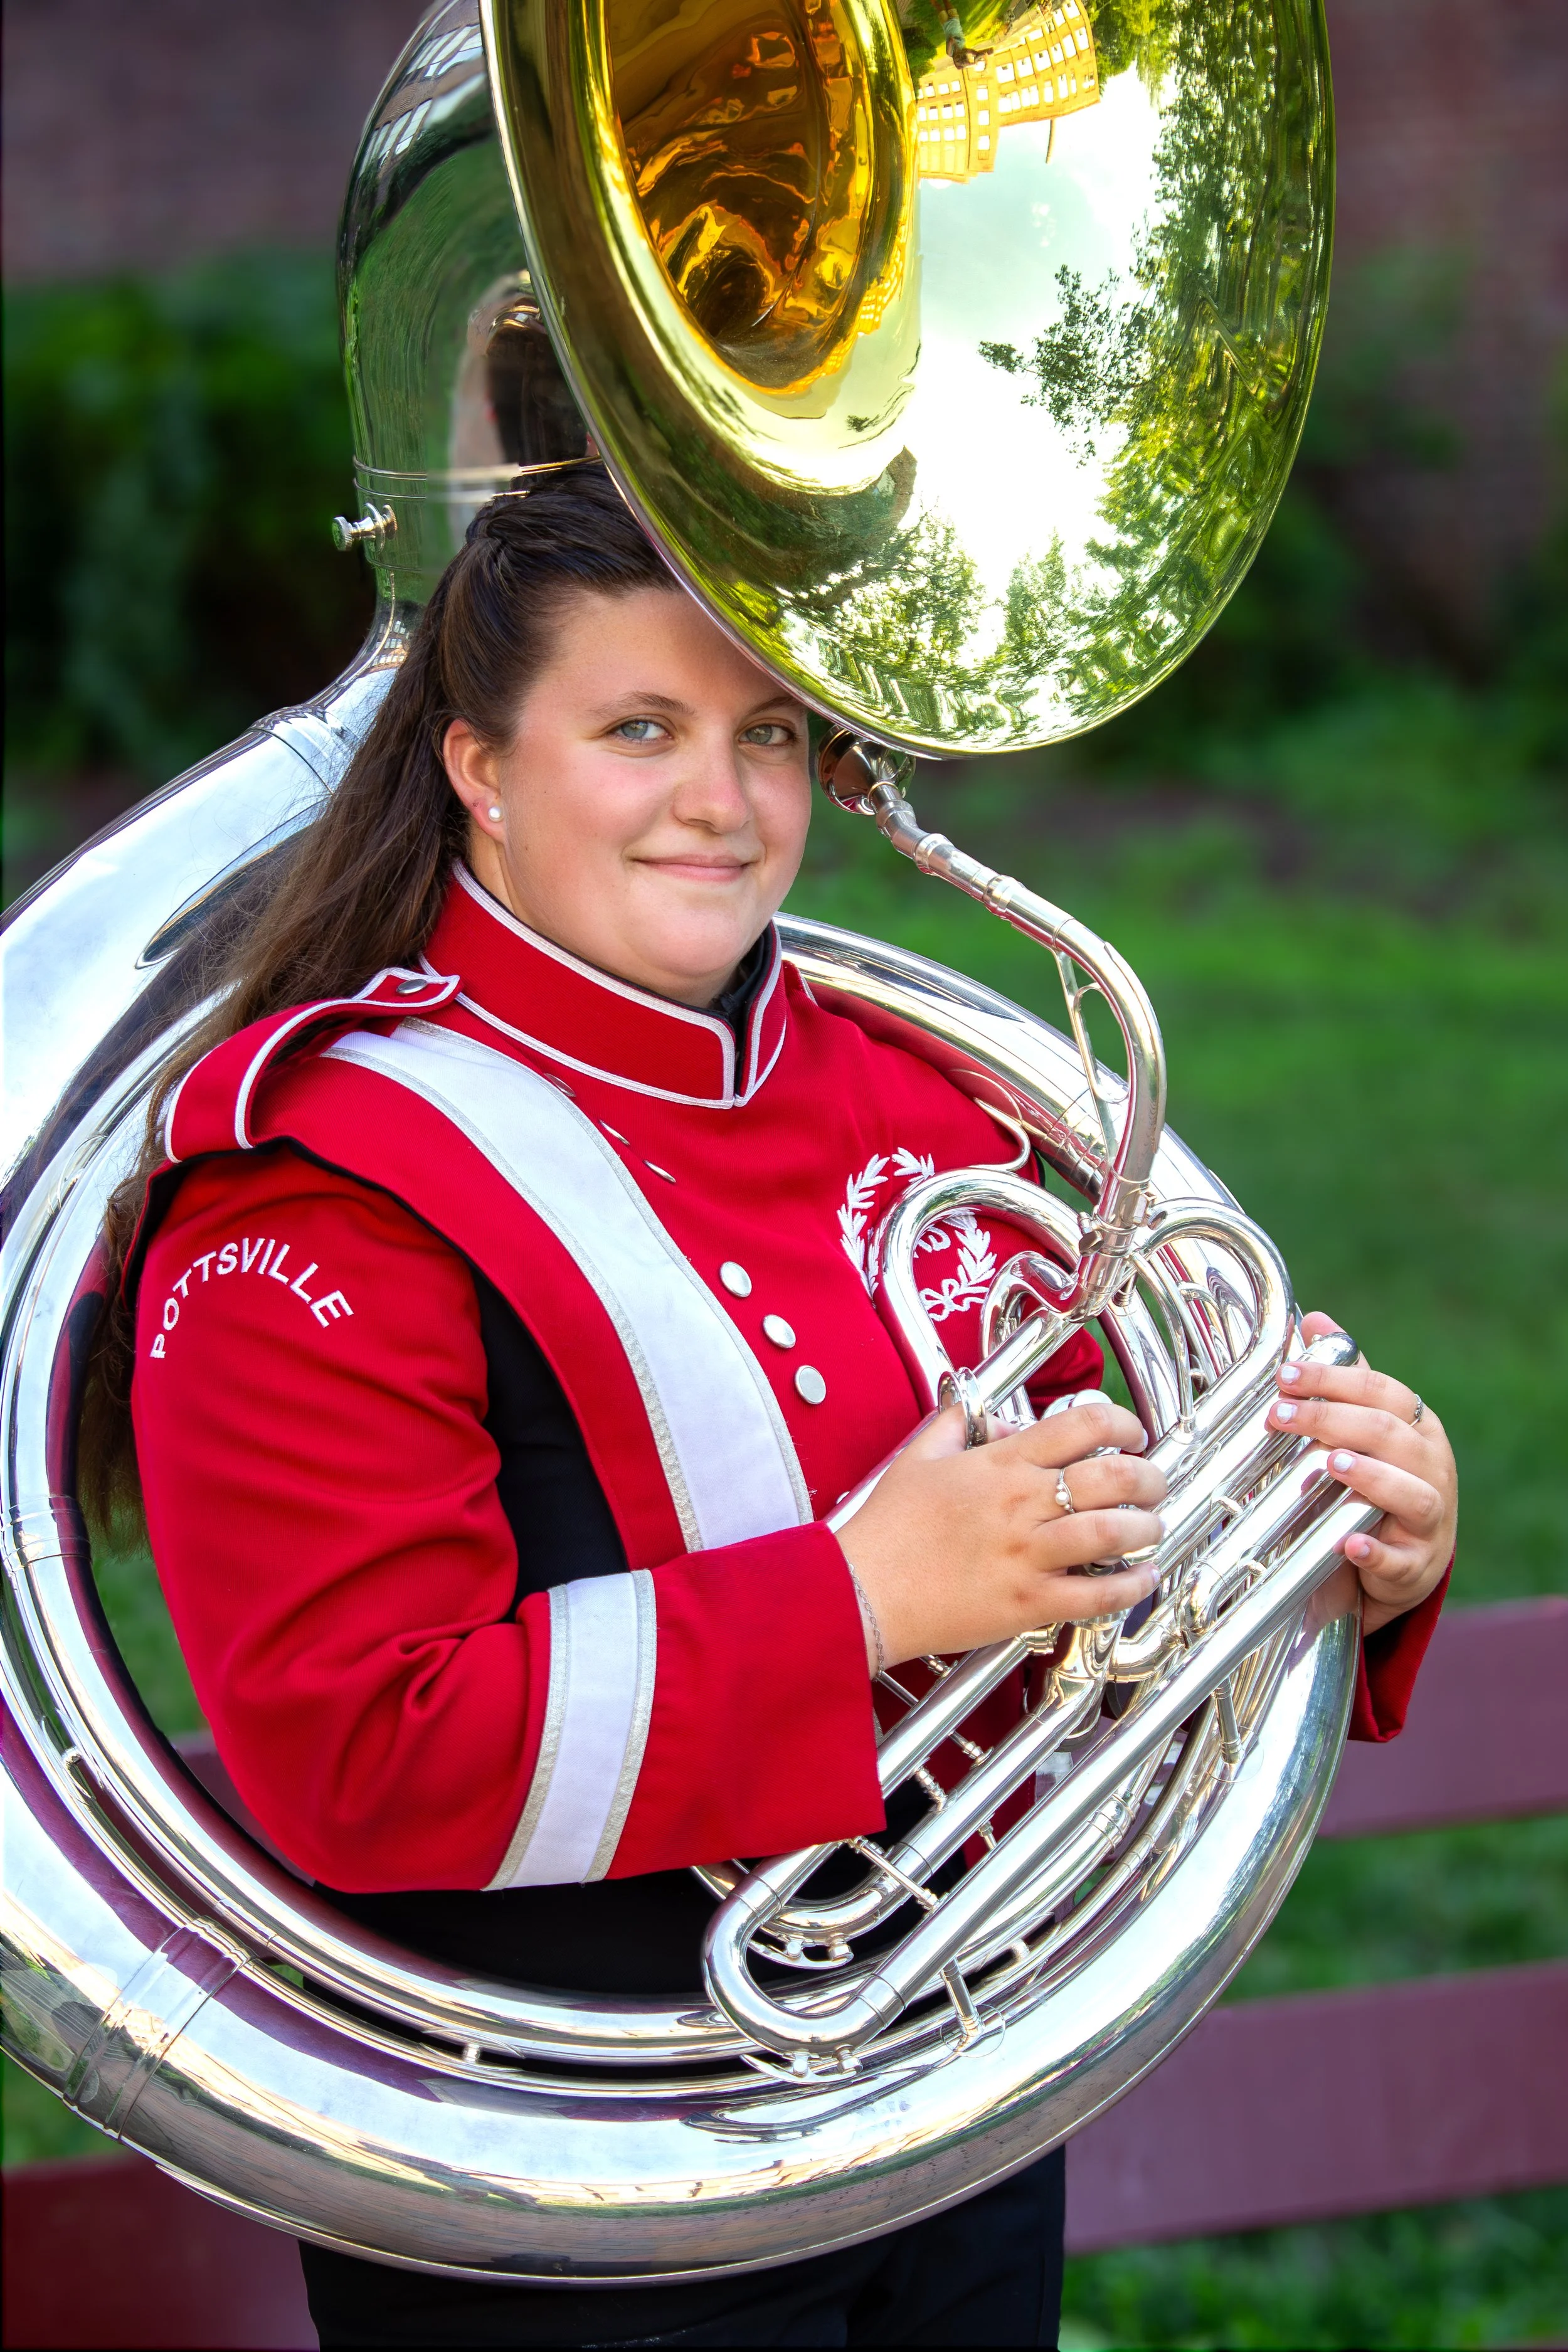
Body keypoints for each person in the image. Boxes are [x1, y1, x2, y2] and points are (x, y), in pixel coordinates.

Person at [86, 469, 1457, 2348]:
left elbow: (1101, 1536)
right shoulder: (322, 1180)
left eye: (768, 732)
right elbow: (350, 1746)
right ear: (480, 766)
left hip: (954, 2108)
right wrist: (862, 1598)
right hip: (577, 2202)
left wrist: (1334, 1533)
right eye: (636, 729)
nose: (721, 802)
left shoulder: (917, 1092)